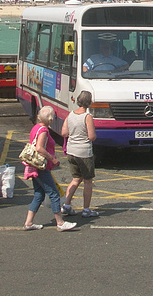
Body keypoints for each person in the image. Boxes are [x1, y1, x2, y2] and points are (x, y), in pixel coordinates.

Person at [22, 107, 77, 232]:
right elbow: (39, 148)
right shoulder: (43, 130)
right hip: (42, 166)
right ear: (50, 119)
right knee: (54, 193)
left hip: (34, 166)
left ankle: (29, 222)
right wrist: (52, 159)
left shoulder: (35, 127)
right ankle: (60, 222)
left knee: (39, 194)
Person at [61, 90, 99, 218]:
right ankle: (86, 209)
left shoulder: (70, 115)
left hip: (71, 151)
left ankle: (66, 205)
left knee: (76, 179)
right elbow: (92, 136)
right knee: (88, 181)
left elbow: (64, 133)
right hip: (84, 152)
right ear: (90, 102)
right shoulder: (87, 117)